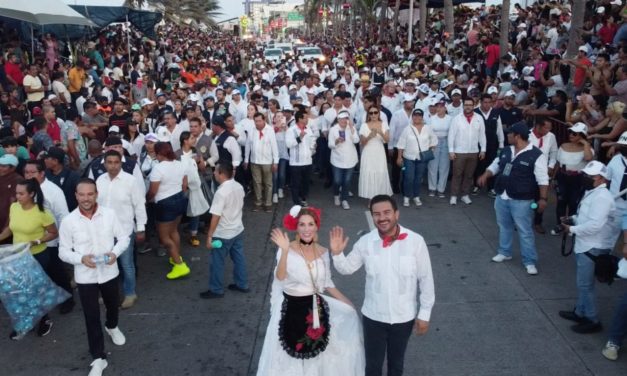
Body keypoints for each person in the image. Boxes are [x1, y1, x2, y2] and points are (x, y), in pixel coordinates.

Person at [330, 194, 435, 376]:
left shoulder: (415, 241)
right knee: (372, 367)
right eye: (377, 214)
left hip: (404, 317)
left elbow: (426, 279)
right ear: (372, 217)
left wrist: (424, 314)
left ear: (397, 214)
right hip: (373, 317)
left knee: (396, 366)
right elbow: (347, 269)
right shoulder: (366, 243)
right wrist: (337, 254)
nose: (382, 218)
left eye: (387, 212)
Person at [256, 205, 365, 375]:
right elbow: (280, 277)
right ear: (296, 227)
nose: (306, 229)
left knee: (317, 357)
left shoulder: (323, 252)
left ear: (316, 226)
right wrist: (284, 251)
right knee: (288, 361)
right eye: (302, 224)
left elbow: (327, 282)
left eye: (310, 224)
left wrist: (347, 303)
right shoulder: (286, 248)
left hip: (315, 309)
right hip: (290, 308)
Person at [58, 178, 130, 376]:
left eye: (90, 194)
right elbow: (63, 252)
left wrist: (115, 253)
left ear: (96, 194)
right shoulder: (68, 221)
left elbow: (124, 238)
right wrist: (81, 258)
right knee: (91, 317)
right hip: (85, 277)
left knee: (113, 305)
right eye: (81, 194)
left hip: (109, 272)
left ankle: (112, 326)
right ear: (76, 196)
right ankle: (98, 358)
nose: (86, 198)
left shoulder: (109, 215)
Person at [477, 122, 549, 275]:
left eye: (509, 134)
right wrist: (486, 174)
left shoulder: (536, 155)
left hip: (522, 200)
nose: (507, 136)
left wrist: (543, 198)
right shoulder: (506, 150)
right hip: (502, 195)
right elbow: (496, 165)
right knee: (504, 226)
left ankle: (529, 261)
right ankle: (505, 251)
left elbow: (543, 179)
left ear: (517, 136)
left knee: (524, 230)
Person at [558, 161, 620, 334]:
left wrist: (572, 229)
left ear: (602, 179)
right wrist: (572, 219)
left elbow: (595, 225)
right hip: (585, 244)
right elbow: (586, 216)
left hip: (593, 246)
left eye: (590, 176)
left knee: (585, 285)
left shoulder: (602, 198)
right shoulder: (592, 192)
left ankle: (592, 319)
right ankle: (580, 311)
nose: (585, 178)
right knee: (583, 283)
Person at [0, 179, 58, 339]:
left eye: (21, 193)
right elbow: (10, 229)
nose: (17, 196)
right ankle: (26, 321)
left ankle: (45, 320)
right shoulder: (14, 207)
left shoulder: (42, 213)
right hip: (17, 256)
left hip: (38, 256)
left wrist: (37, 241)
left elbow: (53, 233)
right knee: (20, 291)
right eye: (16, 193)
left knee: (36, 291)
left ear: (31, 194)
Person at [96, 150, 147, 309]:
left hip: (124, 231)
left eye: (116, 162)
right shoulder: (99, 180)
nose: (112, 166)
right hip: (104, 231)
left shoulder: (130, 181)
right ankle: (108, 294)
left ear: (121, 163)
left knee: (126, 264)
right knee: (106, 264)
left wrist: (140, 228)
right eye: (109, 162)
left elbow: (139, 205)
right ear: (104, 164)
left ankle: (130, 293)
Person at [23, 159, 75, 314]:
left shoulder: (53, 191)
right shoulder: (25, 189)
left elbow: (63, 216)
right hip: (31, 241)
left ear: (42, 173)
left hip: (51, 241)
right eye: (26, 172)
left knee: (57, 272)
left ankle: (68, 300)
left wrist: (63, 240)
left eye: (32, 172)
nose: (29, 175)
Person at [201, 160, 249, 298]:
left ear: (221, 174)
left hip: (223, 234)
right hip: (237, 229)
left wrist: (210, 236)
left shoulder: (221, 192)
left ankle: (216, 289)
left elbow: (216, 216)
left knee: (217, 262)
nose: (214, 173)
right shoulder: (238, 186)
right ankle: (242, 284)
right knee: (239, 258)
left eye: (216, 171)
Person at [147, 142, 190, 280]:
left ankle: (179, 265)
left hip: (165, 203)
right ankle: (176, 256)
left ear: (159, 154)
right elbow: (184, 185)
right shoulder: (180, 164)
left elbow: (153, 191)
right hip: (180, 200)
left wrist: (146, 200)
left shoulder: (158, 169)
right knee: (174, 231)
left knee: (164, 238)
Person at [550, 123, 594, 236]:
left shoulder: (587, 148)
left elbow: (589, 158)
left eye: (575, 133)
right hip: (562, 176)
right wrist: (553, 178)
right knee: (561, 201)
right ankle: (560, 225)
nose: (571, 135)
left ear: (582, 135)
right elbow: (558, 164)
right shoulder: (563, 146)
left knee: (574, 202)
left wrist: (585, 143)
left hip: (578, 179)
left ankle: (571, 227)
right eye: (570, 132)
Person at [448, 98, 486, 205]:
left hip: (473, 151)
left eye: (470, 105)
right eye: (466, 105)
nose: (468, 107)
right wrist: (451, 150)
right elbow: (451, 135)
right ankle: (454, 195)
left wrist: (483, 149)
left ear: (473, 106)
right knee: (457, 174)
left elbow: (482, 135)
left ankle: (465, 195)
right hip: (459, 151)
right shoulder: (457, 119)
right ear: (463, 106)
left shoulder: (479, 118)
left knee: (469, 175)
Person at [396, 108, 438, 207]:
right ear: (412, 116)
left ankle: (416, 196)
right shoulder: (407, 129)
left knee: (418, 178)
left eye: (419, 115)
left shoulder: (428, 128)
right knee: (409, 178)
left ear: (422, 117)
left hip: (422, 159)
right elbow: (401, 144)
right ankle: (406, 197)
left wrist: (430, 150)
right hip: (408, 158)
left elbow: (434, 140)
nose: (417, 117)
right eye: (415, 115)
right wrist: (399, 157)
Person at [528, 118, 558, 234]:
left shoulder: (551, 136)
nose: (548, 130)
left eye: (549, 128)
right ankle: (520, 220)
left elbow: (554, 152)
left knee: (541, 198)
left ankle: (537, 222)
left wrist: (551, 165)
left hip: (542, 173)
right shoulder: (527, 135)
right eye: (546, 127)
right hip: (528, 172)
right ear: (538, 126)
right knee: (525, 198)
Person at [244, 112, 279, 212]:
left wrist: (275, 161)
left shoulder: (270, 130)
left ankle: (268, 204)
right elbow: (247, 145)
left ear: (264, 120)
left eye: (259, 121)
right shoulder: (251, 130)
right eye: (256, 121)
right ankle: (258, 203)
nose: (258, 123)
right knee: (257, 183)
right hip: (254, 161)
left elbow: (274, 146)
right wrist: (246, 159)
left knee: (268, 183)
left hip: (267, 161)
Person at [358, 104, 392, 199]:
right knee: (369, 172)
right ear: (368, 114)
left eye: (375, 112)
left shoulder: (384, 124)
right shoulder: (364, 125)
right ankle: (371, 198)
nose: (373, 115)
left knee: (380, 172)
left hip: (379, 152)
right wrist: (370, 136)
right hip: (368, 152)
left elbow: (388, 140)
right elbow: (362, 142)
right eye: (371, 113)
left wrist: (380, 132)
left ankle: (380, 197)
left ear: (379, 114)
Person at [328, 111, 359, 209]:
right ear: (338, 120)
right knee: (337, 180)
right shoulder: (333, 129)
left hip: (350, 159)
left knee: (347, 181)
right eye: (342, 119)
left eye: (346, 118)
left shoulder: (351, 128)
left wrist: (352, 130)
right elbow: (330, 145)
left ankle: (344, 199)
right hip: (337, 159)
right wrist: (336, 141)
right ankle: (336, 195)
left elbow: (356, 140)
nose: (344, 121)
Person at [285, 110, 316, 206]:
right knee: (296, 183)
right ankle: (296, 201)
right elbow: (289, 144)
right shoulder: (291, 130)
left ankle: (303, 198)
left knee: (305, 183)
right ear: (299, 119)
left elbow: (312, 141)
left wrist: (313, 148)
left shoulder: (308, 129)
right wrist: (299, 138)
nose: (307, 119)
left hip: (307, 161)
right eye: (305, 118)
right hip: (296, 163)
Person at [427, 99, 452, 198]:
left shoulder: (450, 118)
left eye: (441, 106)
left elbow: (452, 132)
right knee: (432, 166)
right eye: (437, 106)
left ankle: (441, 189)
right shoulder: (431, 118)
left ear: (445, 108)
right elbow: (428, 132)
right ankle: (432, 188)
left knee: (444, 167)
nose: (439, 108)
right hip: (434, 143)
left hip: (446, 142)